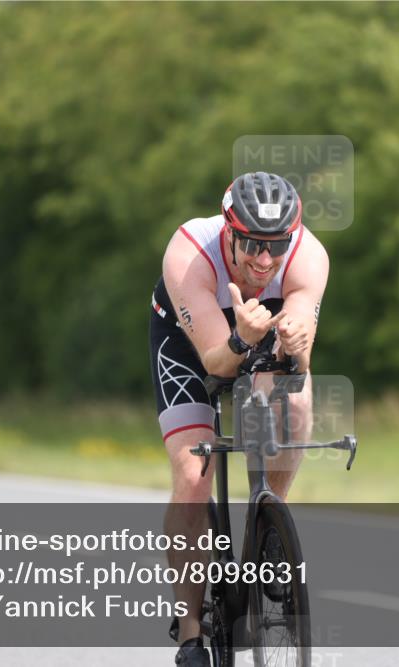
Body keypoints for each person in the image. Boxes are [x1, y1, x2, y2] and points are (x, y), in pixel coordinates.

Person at [148, 172, 329, 665]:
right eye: (250, 242)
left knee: (292, 402)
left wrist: (296, 349)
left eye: (275, 245)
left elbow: (300, 364)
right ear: (228, 230)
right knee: (192, 475)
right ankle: (190, 634)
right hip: (191, 339)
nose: (263, 259)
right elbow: (214, 360)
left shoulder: (309, 257)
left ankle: (270, 529)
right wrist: (239, 340)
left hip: (262, 325)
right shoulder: (188, 253)